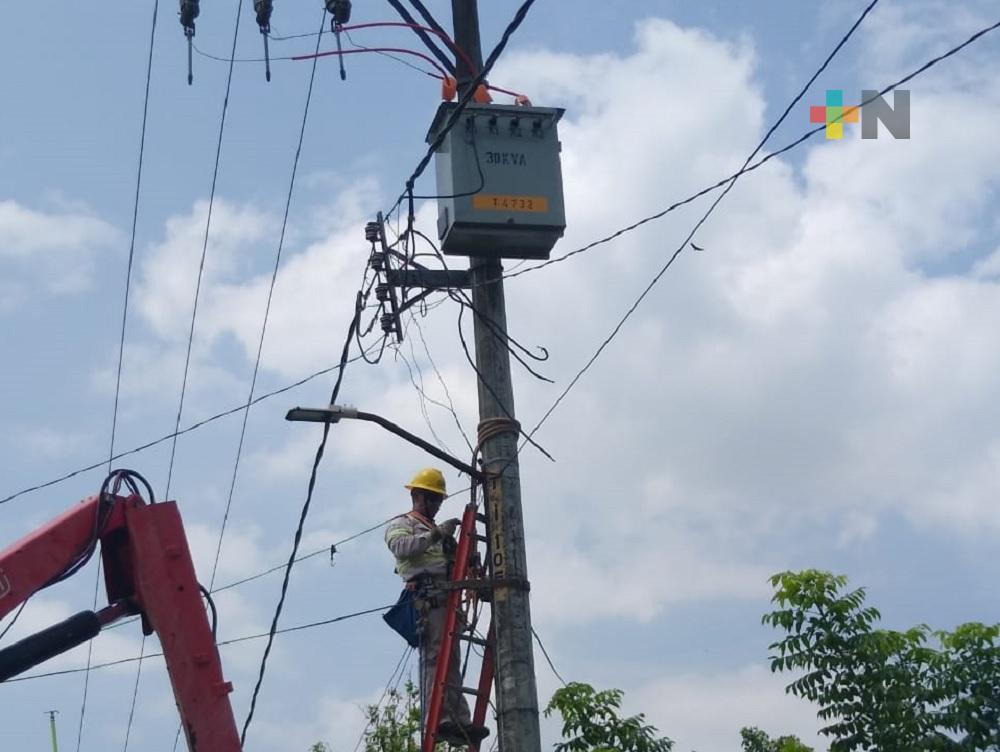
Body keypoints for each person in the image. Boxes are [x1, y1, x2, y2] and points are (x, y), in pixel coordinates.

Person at [385, 468, 489, 745]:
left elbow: (455, 562)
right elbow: (402, 548)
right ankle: (440, 720)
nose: (436, 505)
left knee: (449, 661)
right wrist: (436, 535)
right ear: (417, 496)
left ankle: (459, 721)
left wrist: (469, 558)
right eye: (432, 499)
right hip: (428, 599)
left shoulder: (437, 531)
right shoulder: (402, 523)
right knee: (435, 660)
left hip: (447, 598)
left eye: (439, 500)